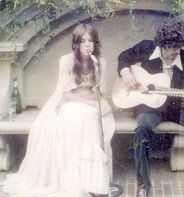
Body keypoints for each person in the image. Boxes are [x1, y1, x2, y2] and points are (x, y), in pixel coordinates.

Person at [1, 23, 115, 197]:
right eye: (82, 41)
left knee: (90, 115)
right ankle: (73, 181)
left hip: (93, 105)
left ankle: (92, 181)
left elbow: (100, 93)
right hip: (68, 103)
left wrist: (92, 98)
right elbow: (65, 94)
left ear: (96, 43)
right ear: (76, 44)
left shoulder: (100, 62)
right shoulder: (67, 61)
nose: (87, 45)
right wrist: (85, 100)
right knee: (77, 117)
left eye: (91, 41)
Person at [117, 17, 184, 197]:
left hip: (178, 108)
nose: (175, 51)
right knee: (142, 129)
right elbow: (124, 57)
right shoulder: (146, 48)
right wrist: (125, 72)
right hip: (151, 107)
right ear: (162, 43)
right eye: (171, 47)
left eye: (178, 47)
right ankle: (143, 184)